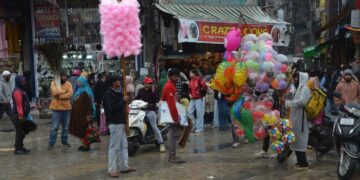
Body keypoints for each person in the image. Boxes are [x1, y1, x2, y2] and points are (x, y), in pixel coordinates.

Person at [103, 76, 136, 178]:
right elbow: (112, 108)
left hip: (121, 122)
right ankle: (112, 169)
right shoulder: (108, 94)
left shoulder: (117, 92)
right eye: (118, 81)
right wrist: (123, 100)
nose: (120, 82)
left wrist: (128, 96)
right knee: (114, 147)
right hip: (115, 122)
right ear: (113, 82)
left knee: (123, 145)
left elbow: (126, 101)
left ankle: (124, 166)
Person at [285, 72, 312, 169]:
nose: (295, 79)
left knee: (300, 140)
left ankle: (303, 163)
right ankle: (300, 162)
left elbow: (302, 102)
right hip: (296, 117)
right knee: (296, 139)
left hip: (301, 118)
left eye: (297, 77)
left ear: (302, 78)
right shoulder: (298, 88)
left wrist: (289, 103)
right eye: (295, 77)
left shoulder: (305, 88)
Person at [135, 77, 165, 152]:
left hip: (151, 111)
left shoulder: (154, 90)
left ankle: (161, 143)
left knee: (154, 126)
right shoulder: (141, 90)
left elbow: (157, 99)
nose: (150, 84)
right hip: (142, 111)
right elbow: (137, 99)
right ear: (144, 84)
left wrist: (153, 92)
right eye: (149, 83)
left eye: (151, 83)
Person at [162, 68, 185, 163]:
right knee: (173, 134)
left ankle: (172, 155)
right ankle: (172, 156)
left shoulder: (171, 85)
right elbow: (171, 104)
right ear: (170, 76)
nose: (177, 78)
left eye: (178, 76)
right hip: (171, 114)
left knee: (174, 134)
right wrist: (176, 118)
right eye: (175, 76)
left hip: (172, 114)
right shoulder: (169, 86)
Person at [69, 76, 96, 152]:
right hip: (78, 115)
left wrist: (89, 115)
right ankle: (84, 144)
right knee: (79, 130)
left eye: (79, 82)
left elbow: (89, 104)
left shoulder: (87, 91)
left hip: (84, 115)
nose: (77, 83)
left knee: (84, 130)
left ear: (83, 82)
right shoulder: (79, 91)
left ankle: (86, 145)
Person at [48, 71, 73, 150]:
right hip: (56, 109)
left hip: (67, 109)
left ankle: (64, 141)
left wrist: (59, 96)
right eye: (63, 76)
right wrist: (64, 92)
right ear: (59, 77)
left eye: (65, 76)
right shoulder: (54, 82)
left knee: (65, 128)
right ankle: (51, 143)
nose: (64, 78)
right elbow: (54, 92)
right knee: (54, 128)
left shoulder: (69, 84)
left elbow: (70, 94)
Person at [12, 76, 36, 155]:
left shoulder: (21, 90)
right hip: (19, 115)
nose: (24, 82)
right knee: (20, 132)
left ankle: (21, 147)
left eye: (24, 81)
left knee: (22, 132)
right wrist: (21, 115)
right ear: (18, 82)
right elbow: (19, 104)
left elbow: (24, 103)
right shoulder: (17, 91)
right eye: (22, 81)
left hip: (23, 114)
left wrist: (31, 107)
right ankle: (17, 149)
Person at [188, 68, 207, 133]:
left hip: (199, 98)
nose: (189, 74)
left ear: (194, 73)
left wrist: (199, 91)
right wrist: (190, 94)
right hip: (193, 99)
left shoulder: (199, 80)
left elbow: (204, 87)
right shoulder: (191, 80)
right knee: (189, 111)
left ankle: (200, 128)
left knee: (199, 113)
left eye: (190, 73)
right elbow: (189, 89)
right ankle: (194, 125)